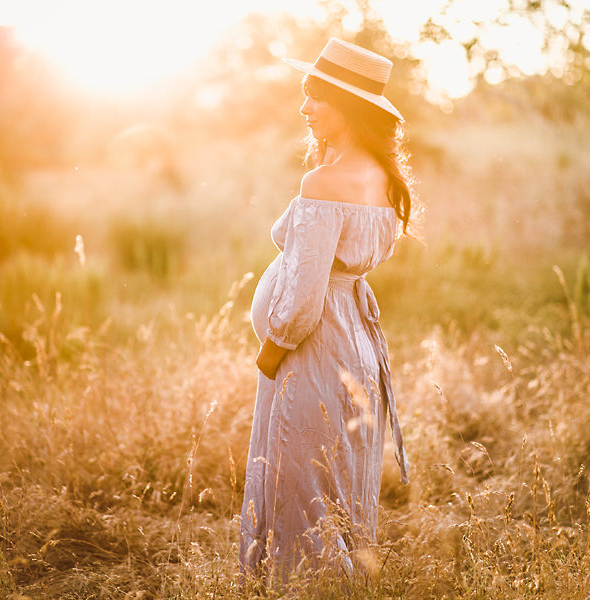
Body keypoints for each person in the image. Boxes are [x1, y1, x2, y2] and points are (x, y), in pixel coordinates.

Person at [239, 38, 414, 583]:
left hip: (311, 350)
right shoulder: (383, 180)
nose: (304, 108)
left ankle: (300, 588)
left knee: (299, 483)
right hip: (356, 346)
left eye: (315, 96)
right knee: (340, 478)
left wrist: (272, 351)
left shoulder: (322, 182)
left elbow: (303, 297)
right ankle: (345, 586)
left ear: (349, 106)